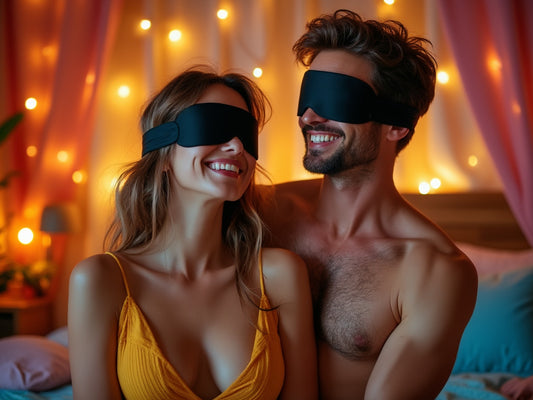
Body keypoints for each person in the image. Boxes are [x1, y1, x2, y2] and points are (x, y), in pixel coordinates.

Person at [259, 10, 478, 400]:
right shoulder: (260, 211)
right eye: (309, 96)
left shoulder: (434, 271)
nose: (309, 116)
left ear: (396, 125)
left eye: (338, 99)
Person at [68, 66, 317, 400]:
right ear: (164, 152)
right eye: (213, 125)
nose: (236, 146)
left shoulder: (278, 275)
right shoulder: (101, 280)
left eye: (245, 134)